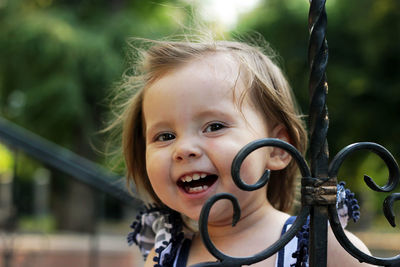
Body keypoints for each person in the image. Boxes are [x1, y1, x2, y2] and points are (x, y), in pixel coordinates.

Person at [112, 37, 371, 266]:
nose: (184, 149)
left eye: (214, 126)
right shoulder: (164, 256)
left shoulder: (319, 247)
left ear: (276, 149)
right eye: (165, 136)